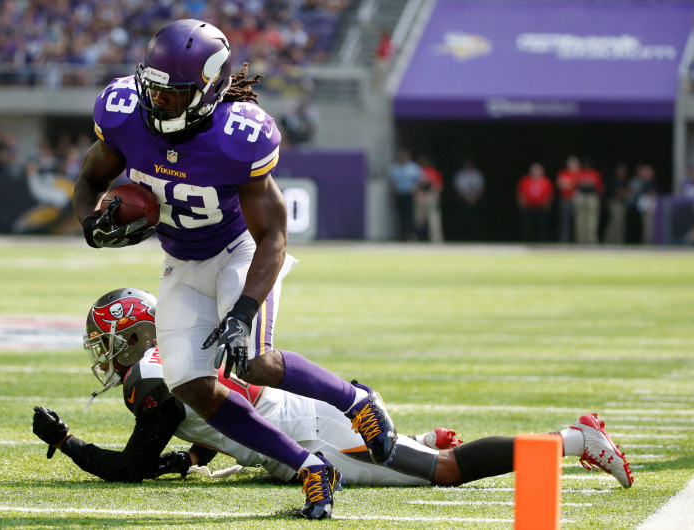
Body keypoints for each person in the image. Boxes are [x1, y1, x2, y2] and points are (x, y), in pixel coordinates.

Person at [71, 19, 396, 520]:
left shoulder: (238, 136)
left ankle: (357, 403)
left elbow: (274, 235)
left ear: (210, 88)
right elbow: (89, 179)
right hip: (181, 260)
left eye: (176, 96)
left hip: (237, 252)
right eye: (154, 92)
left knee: (254, 359)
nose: (160, 105)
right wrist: (92, 223)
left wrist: (244, 311)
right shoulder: (124, 114)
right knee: (191, 386)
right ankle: (310, 467)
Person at [32, 287, 634, 491]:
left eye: (106, 342)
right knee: (428, 455)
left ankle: (573, 437)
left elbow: (132, 467)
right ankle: (418, 437)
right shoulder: (177, 349)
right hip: (300, 424)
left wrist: (68, 441)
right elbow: (220, 413)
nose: (104, 356)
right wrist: (191, 456)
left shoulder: (150, 380)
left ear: (132, 334)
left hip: (309, 431)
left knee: (446, 471)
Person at [515, 163, 554, 243]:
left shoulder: (546, 181)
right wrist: (522, 203)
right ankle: (524, 240)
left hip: (541, 208)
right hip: (529, 207)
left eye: (538, 170)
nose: (536, 172)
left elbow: (550, 194)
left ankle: (544, 241)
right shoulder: (525, 180)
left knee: (542, 226)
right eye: (534, 170)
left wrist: (547, 204)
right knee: (526, 226)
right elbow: (520, 193)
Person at [389, 148, 421, 241]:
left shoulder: (413, 167)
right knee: (401, 216)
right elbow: (393, 183)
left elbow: (419, 181)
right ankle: (403, 236)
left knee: (411, 216)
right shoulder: (395, 168)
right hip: (400, 194)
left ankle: (413, 235)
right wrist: (394, 195)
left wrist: (416, 192)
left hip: (411, 195)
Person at [452, 158, 485, 241]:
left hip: (475, 201)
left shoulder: (477, 174)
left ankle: (476, 237)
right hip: (462, 201)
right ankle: (463, 237)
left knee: (476, 221)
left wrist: (474, 198)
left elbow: (481, 188)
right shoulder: (461, 174)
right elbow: (457, 188)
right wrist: (465, 198)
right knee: (463, 221)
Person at [572, 159, 604, 245]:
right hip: (581, 197)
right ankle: (580, 239)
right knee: (580, 219)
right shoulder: (579, 173)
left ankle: (591, 239)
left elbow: (600, 187)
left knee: (592, 220)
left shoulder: (594, 173)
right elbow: (574, 185)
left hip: (592, 197)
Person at [414, 155, 444, 242]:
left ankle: (436, 240)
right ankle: (418, 239)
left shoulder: (433, 172)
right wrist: (419, 195)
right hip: (419, 199)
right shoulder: (416, 171)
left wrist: (429, 195)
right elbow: (413, 186)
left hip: (431, 198)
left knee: (433, 220)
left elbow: (438, 186)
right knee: (418, 221)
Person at [603, 163, 630, 245]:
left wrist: (625, 191)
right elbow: (617, 193)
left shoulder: (625, 181)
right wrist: (624, 191)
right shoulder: (614, 180)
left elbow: (628, 191)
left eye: (623, 171)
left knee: (621, 223)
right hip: (614, 203)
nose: (622, 172)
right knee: (614, 222)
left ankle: (619, 241)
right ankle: (609, 241)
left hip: (622, 203)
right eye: (620, 170)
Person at [556, 156, 581, 243]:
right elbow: (561, 185)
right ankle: (564, 241)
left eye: (574, 163)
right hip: (566, 201)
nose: (572, 165)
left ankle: (577, 241)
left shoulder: (580, 173)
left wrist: (569, 183)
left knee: (578, 222)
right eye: (571, 163)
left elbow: (582, 185)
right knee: (565, 222)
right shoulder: (563, 173)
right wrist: (573, 184)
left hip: (578, 202)